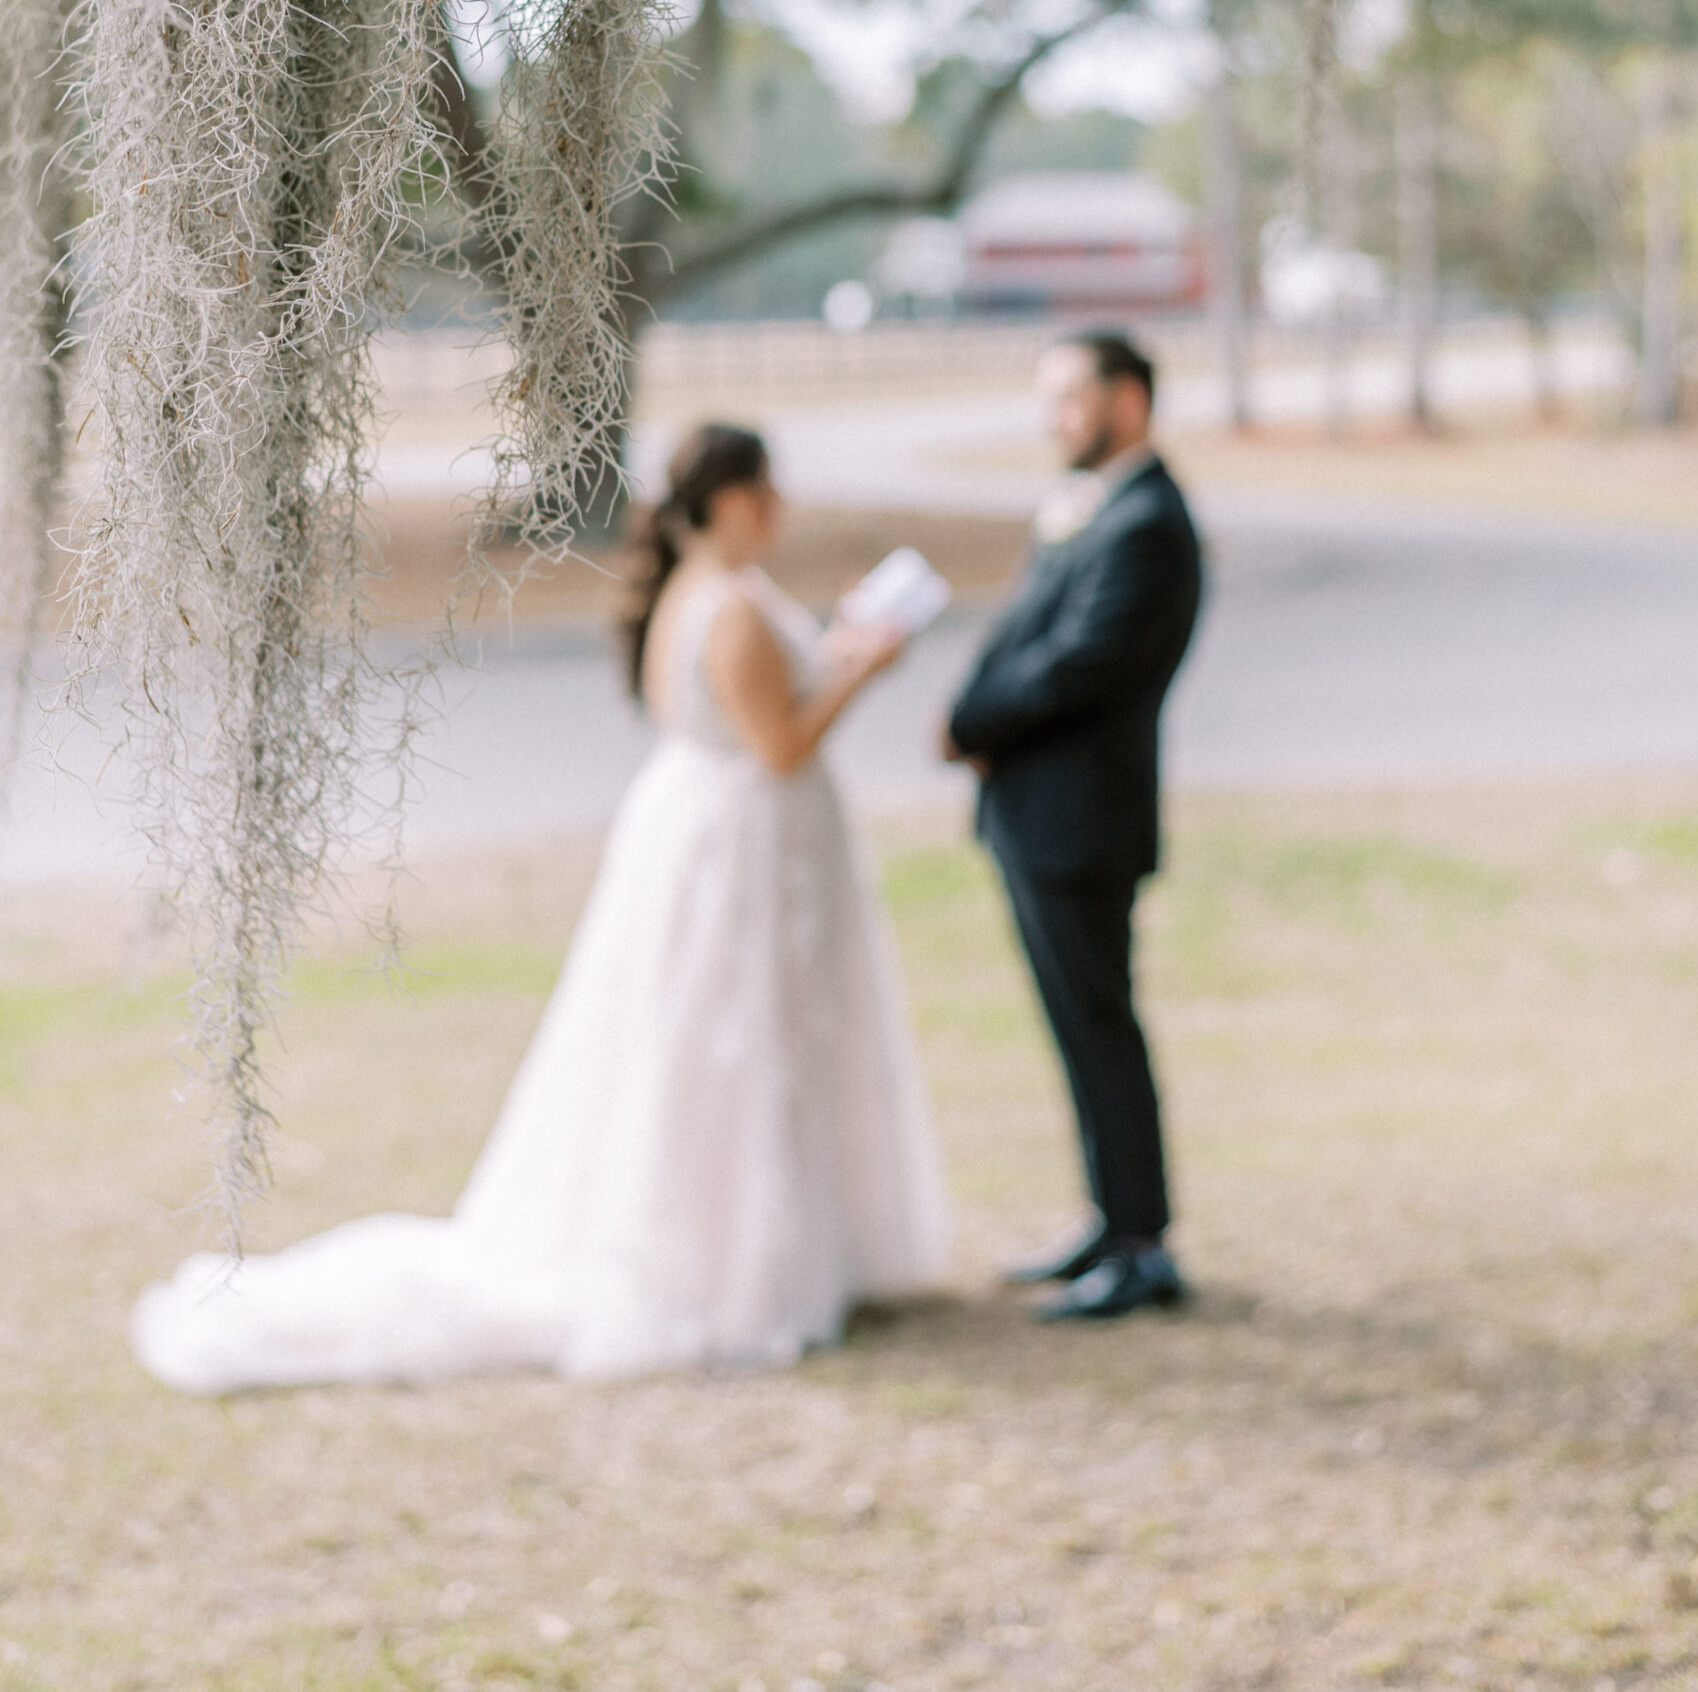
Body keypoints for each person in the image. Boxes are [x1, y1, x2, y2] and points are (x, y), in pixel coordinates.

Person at [132, 424, 952, 1391]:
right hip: (737, 847)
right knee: (728, 1040)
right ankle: (730, 1268)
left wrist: (840, 645)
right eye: (766, 490)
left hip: (718, 834)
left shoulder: (716, 592)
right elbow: (779, 745)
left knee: (743, 1038)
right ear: (727, 499)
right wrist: (863, 665)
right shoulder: (725, 607)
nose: (781, 508)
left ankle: (787, 1248)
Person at [944, 332, 1201, 1323]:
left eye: (1068, 399)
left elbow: (1080, 664)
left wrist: (968, 722)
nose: (1053, 419)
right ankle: (1109, 1218)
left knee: (1101, 1029)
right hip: (1036, 815)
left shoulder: (1145, 524)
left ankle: (1141, 1244)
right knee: (1078, 1029)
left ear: (1126, 400)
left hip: (1078, 821)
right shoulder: (1091, 509)